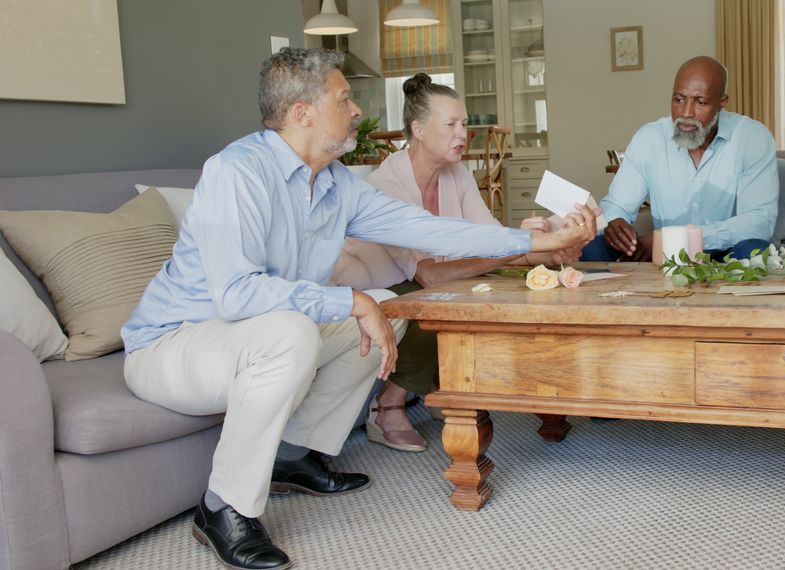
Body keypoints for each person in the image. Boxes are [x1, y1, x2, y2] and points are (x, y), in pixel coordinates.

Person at [120, 48, 595, 570]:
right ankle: (222, 508)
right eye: (344, 99)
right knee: (302, 331)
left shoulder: (335, 183)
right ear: (302, 113)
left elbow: (425, 229)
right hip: (174, 343)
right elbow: (236, 293)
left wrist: (530, 244)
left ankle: (293, 454)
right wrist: (349, 299)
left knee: (390, 309)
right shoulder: (237, 172)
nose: (356, 112)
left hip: (248, 336)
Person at [334, 73, 580, 453]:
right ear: (417, 129)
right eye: (450, 124)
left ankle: (466, 384)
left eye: (464, 124)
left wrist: (553, 248)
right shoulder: (387, 184)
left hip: (431, 280)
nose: (462, 133)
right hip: (379, 290)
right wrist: (524, 247)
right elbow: (428, 274)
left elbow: (493, 237)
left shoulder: (458, 174)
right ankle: (387, 407)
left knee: (524, 278)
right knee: (435, 302)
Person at [582, 55, 779, 262]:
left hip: (726, 253)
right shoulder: (649, 138)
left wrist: (678, 240)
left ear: (722, 103)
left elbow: (759, 222)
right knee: (592, 249)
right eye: (678, 100)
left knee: (756, 250)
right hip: (664, 255)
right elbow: (617, 205)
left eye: (700, 102)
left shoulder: (752, 138)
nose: (686, 113)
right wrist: (615, 221)